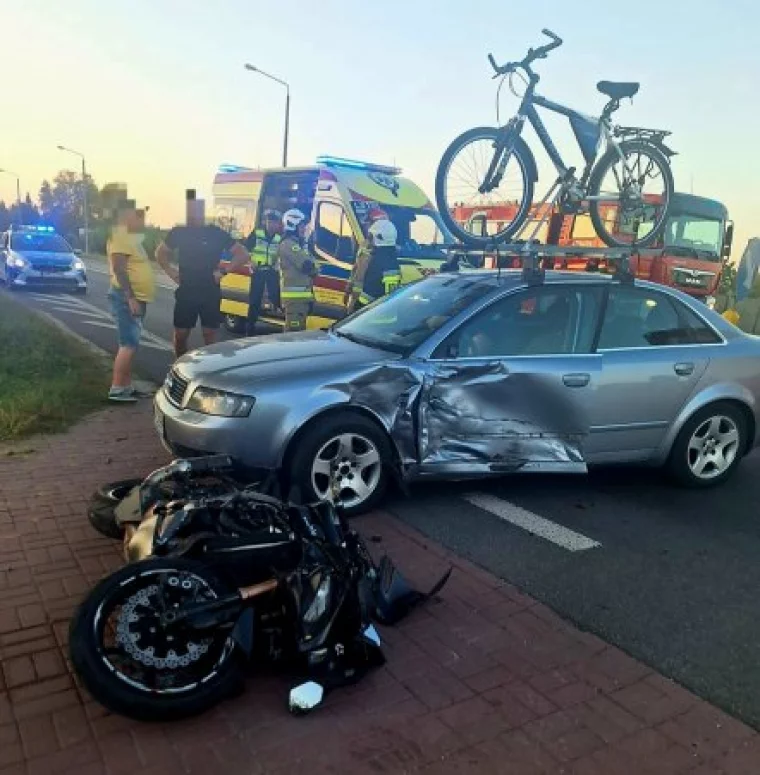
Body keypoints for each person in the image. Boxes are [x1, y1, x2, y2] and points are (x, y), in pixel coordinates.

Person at [155, 195, 249, 358]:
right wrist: (170, 271)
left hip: (210, 290)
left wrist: (223, 272)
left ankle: (209, 370)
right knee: (181, 334)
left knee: (210, 335)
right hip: (187, 290)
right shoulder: (179, 232)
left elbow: (243, 254)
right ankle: (179, 364)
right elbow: (160, 253)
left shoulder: (215, 233)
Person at [106, 201, 155, 402]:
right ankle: (117, 388)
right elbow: (119, 269)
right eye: (139, 217)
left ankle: (126, 386)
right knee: (128, 343)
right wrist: (131, 297)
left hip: (137, 298)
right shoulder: (120, 237)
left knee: (131, 344)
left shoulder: (131, 239)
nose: (142, 221)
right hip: (126, 298)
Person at [346, 219, 401, 313]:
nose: (369, 240)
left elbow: (360, 281)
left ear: (377, 237)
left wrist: (353, 305)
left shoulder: (373, 259)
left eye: (370, 236)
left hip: (369, 314)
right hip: (386, 315)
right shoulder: (393, 261)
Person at [243, 209, 282, 335]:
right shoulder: (257, 233)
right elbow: (244, 249)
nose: (271, 224)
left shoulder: (279, 237)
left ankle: (281, 323)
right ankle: (250, 328)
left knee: (276, 296)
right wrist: (250, 262)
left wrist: (278, 263)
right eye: (269, 221)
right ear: (265, 222)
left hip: (272, 271)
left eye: (274, 222)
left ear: (278, 224)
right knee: (254, 300)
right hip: (258, 271)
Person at [278, 209, 316, 331]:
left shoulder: (298, 244)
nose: (304, 228)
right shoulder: (288, 244)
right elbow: (307, 266)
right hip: (295, 301)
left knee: (297, 335)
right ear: (292, 225)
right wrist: (314, 268)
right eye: (301, 225)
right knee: (292, 338)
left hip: (300, 300)